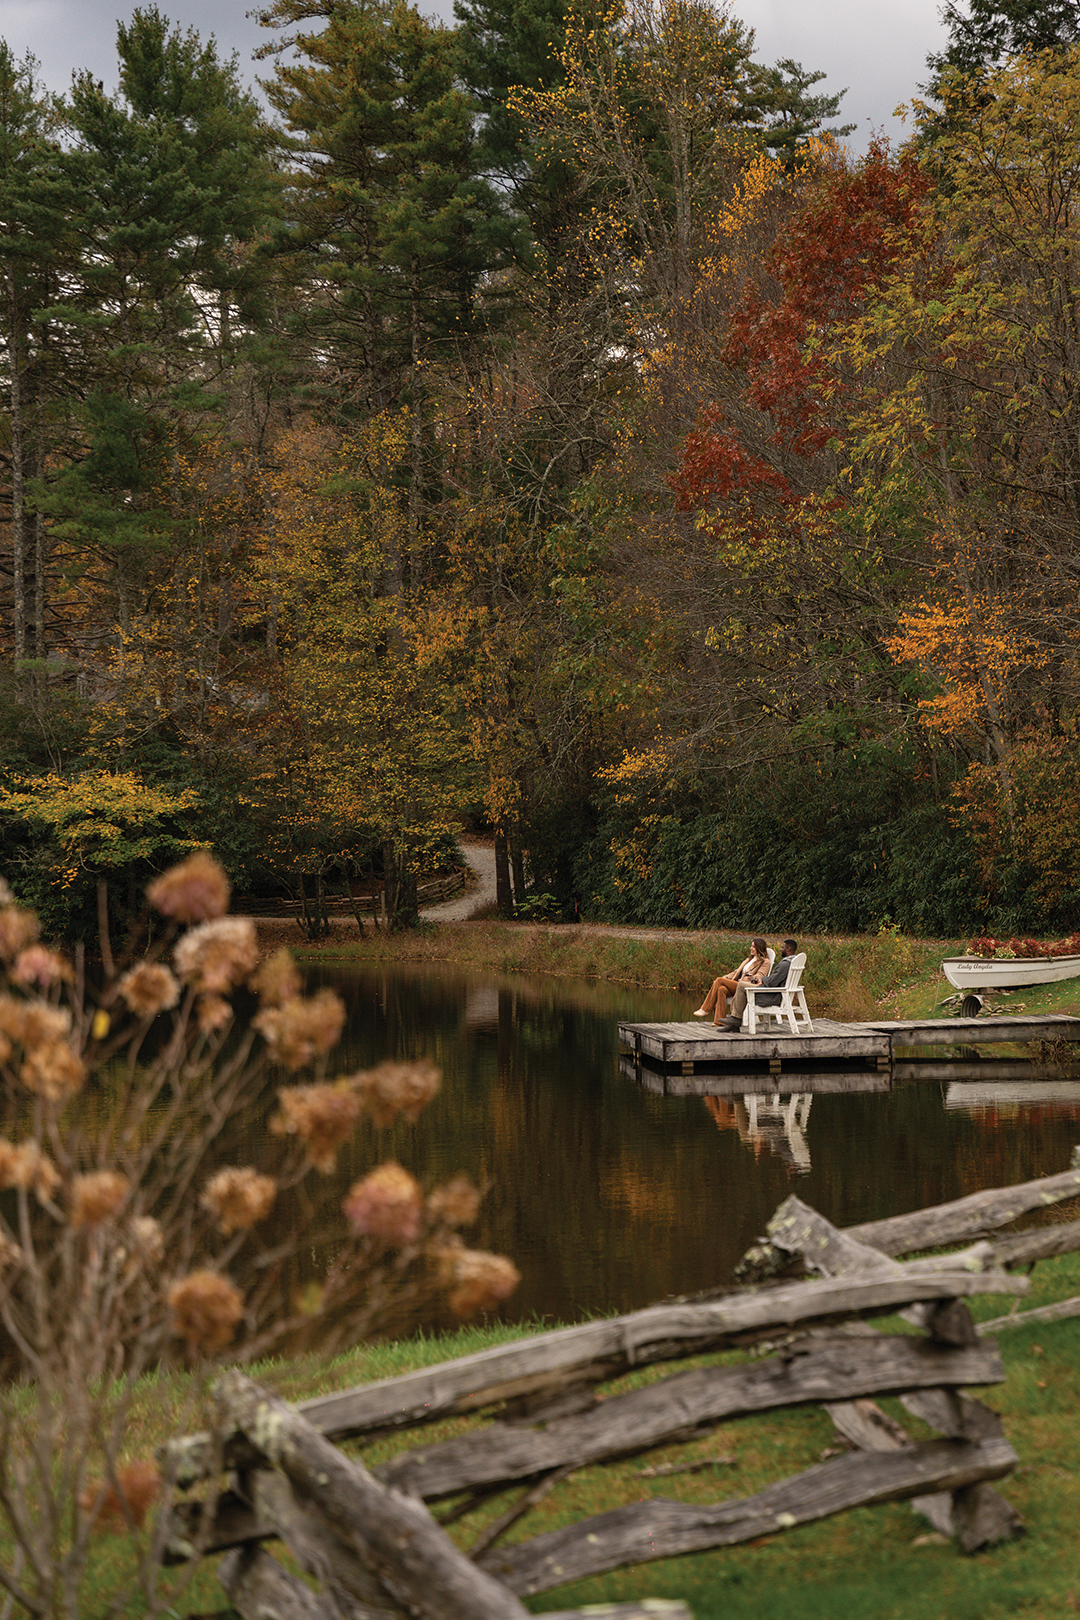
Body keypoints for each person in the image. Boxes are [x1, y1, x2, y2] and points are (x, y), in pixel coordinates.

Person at [719, 938, 798, 1031]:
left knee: (741, 986)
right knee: (739, 986)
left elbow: (772, 982)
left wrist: (763, 979)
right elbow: (774, 981)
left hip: (772, 997)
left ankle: (736, 1019)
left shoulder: (784, 964)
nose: (781, 949)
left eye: (783, 947)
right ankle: (734, 1024)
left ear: (788, 949)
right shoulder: (792, 962)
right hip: (777, 994)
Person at [693, 937, 770, 1026]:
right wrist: (725, 977)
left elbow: (761, 975)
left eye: (753, 946)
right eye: (751, 946)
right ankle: (719, 1021)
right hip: (737, 984)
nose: (750, 948)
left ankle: (706, 1009)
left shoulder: (765, 962)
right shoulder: (748, 960)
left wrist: (753, 977)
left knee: (719, 981)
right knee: (721, 989)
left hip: (746, 986)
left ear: (759, 948)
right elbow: (736, 972)